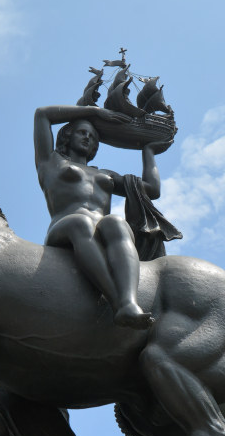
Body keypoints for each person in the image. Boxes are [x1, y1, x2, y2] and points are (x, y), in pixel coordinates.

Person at [34, 105, 168, 329]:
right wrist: (93, 112)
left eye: (93, 136)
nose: (88, 138)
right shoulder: (49, 162)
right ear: (67, 135)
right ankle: (117, 303)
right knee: (81, 222)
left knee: (116, 222)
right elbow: (42, 115)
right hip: (66, 227)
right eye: (82, 132)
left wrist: (148, 152)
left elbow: (152, 190)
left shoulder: (105, 174)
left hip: (101, 230)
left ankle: (129, 301)